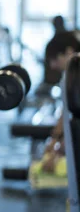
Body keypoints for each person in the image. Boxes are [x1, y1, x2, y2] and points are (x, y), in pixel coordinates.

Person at [39, 30, 80, 173]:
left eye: (54, 59)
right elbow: (67, 109)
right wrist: (54, 140)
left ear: (69, 52)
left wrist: (59, 149)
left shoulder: (76, 74)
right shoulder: (70, 77)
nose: (53, 66)